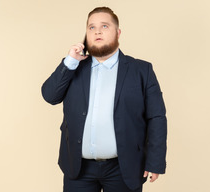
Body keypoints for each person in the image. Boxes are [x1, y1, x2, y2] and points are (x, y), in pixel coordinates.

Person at [41, 7, 167, 192]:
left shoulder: (141, 70)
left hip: (124, 167)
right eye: (91, 27)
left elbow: (156, 117)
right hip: (78, 168)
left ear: (118, 33)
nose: (97, 31)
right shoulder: (73, 67)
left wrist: (155, 161)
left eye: (104, 26)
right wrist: (70, 61)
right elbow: (50, 96)